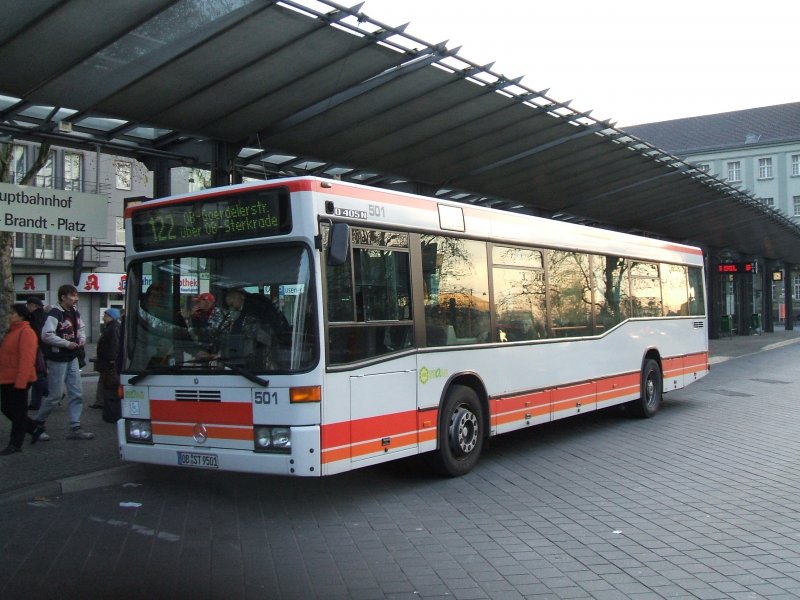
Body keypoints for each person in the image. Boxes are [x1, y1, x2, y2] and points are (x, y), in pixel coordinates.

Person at [33, 284, 94, 441]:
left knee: (77, 393)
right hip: (57, 359)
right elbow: (46, 335)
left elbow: (80, 329)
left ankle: (75, 427)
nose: (76, 299)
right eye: (73, 296)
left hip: (71, 357)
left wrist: (81, 339)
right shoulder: (55, 313)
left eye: (76, 296)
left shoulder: (74, 312)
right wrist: (67, 344)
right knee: (55, 395)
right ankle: (37, 424)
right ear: (63, 297)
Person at [0, 304, 45, 454]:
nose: (9, 316)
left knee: (18, 412)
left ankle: (15, 444)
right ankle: (34, 427)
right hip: (7, 378)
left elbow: (27, 359)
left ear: (21, 316)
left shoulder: (26, 332)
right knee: (6, 408)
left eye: (12, 313)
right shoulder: (11, 332)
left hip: (20, 379)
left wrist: (21, 381)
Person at [91, 308, 122, 410]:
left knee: (108, 381)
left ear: (111, 317)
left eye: (105, 316)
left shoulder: (113, 327)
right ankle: (101, 402)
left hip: (108, 361)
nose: (103, 318)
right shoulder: (111, 327)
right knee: (104, 381)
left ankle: (104, 402)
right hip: (106, 360)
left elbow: (114, 344)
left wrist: (112, 359)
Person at [25, 296, 49, 411]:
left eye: (28, 305)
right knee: (39, 374)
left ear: (33, 305)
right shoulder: (44, 316)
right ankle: (49, 393)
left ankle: (44, 396)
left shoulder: (33, 317)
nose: (27, 308)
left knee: (37, 375)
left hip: (36, 349)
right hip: (43, 349)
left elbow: (35, 333)